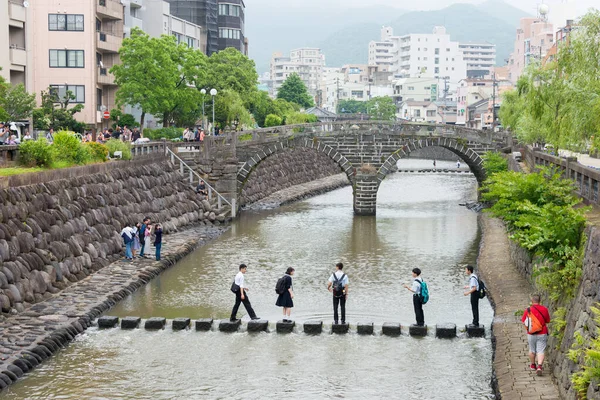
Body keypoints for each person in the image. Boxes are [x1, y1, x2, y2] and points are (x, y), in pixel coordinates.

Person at [521, 294, 551, 376]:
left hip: (531, 333)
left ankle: (533, 364)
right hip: (542, 332)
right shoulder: (544, 309)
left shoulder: (528, 310)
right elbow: (548, 320)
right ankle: (540, 366)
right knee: (540, 350)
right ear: (539, 301)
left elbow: (523, 320)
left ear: (532, 301)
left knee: (532, 350)